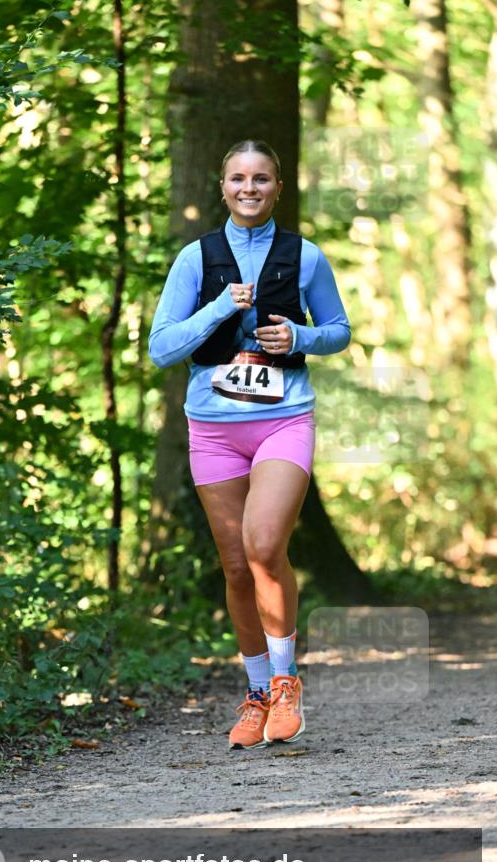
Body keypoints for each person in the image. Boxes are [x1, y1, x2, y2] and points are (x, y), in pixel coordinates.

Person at [149, 140, 350, 750]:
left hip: (284, 419)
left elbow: (339, 332)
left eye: (261, 179)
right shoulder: (195, 258)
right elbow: (162, 348)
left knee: (265, 547)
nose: (249, 188)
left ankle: (287, 681)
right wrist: (216, 308)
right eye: (238, 178)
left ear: (277, 188)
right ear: (222, 186)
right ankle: (257, 692)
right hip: (212, 427)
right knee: (236, 566)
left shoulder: (306, 256)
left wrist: (299, 337)